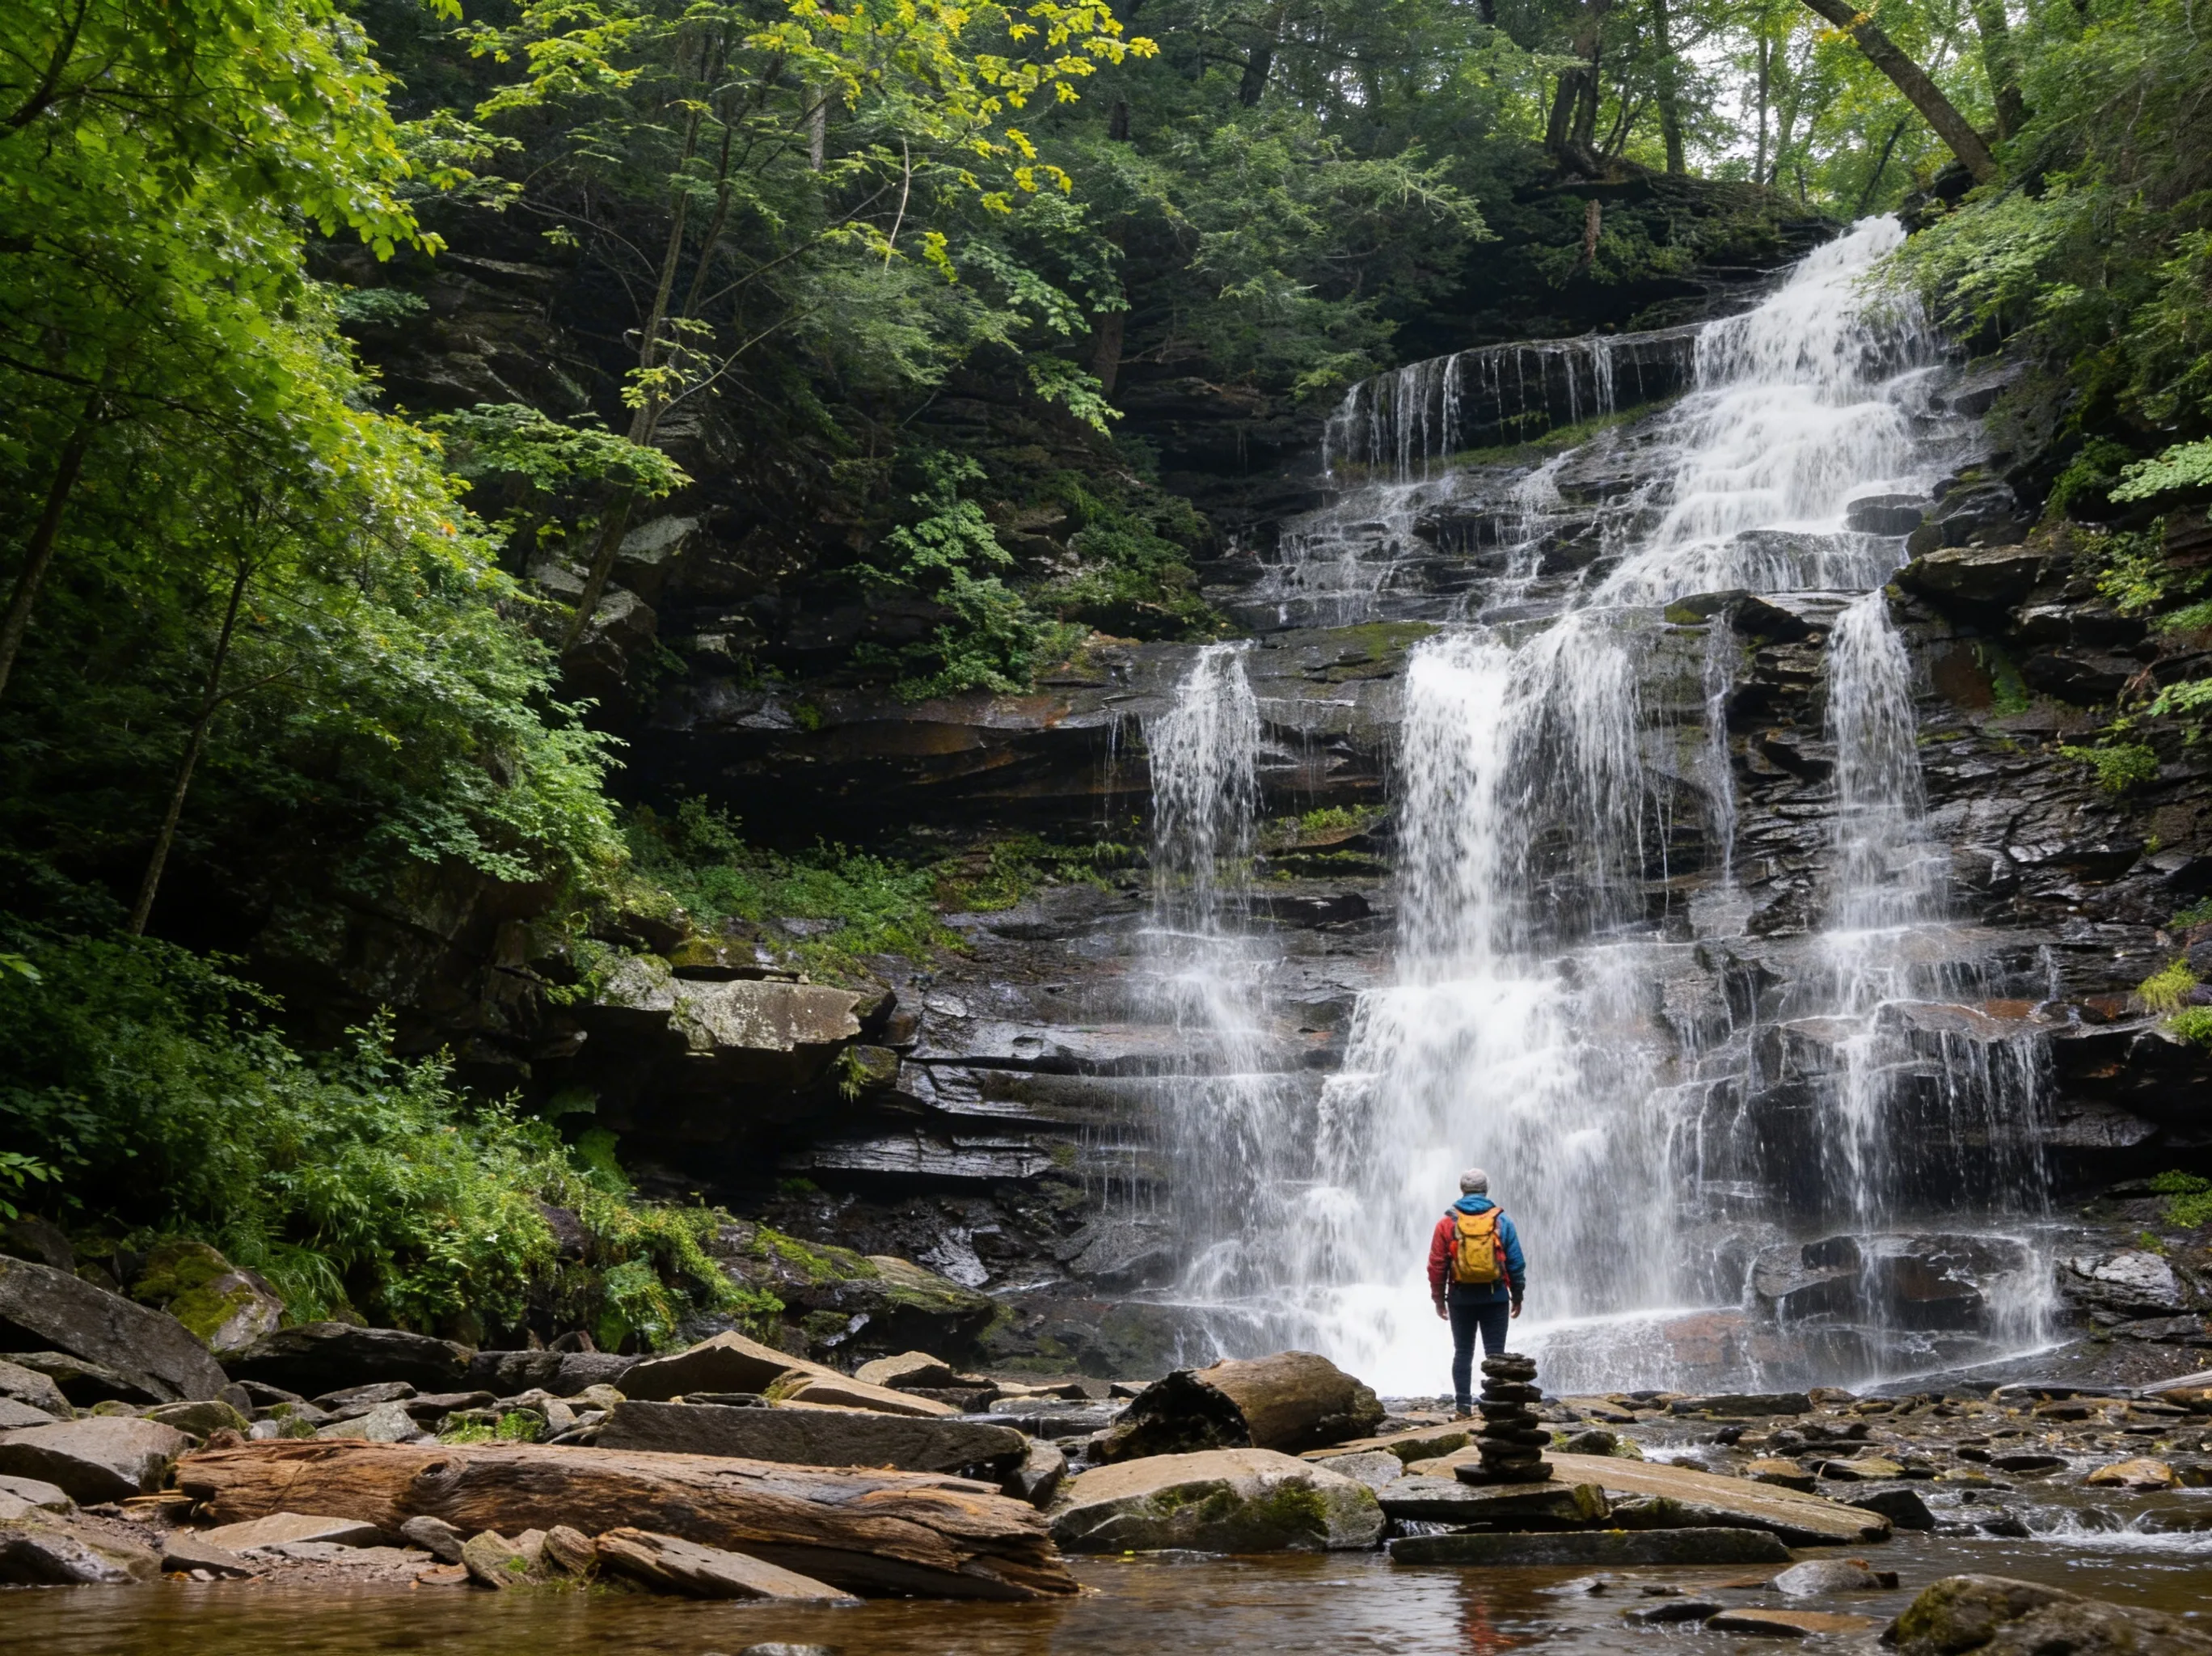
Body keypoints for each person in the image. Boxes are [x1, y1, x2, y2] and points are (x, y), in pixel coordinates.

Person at [1426, 1167, 1526, 1418]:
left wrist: (1439, 1299)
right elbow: (1515, 1262)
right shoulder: (1501, 1220)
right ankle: (1497, 1407)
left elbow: (1437, 1264)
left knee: (1463, 1352)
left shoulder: (1447, 1223)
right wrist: (1517, 1294)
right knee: (1495, 1352)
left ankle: (1462, 1408)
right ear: (1486, 1190)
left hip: (1460, 1297)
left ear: (1462, 1190)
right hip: (1495, 1296)